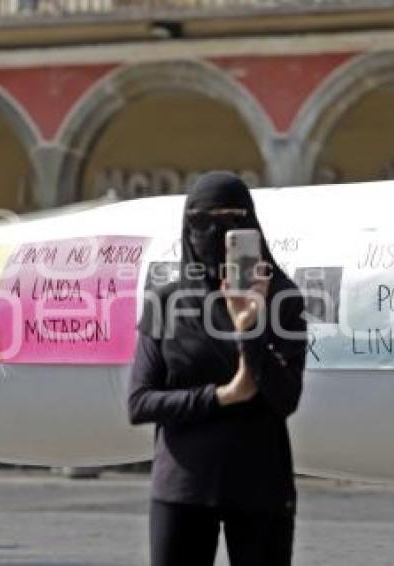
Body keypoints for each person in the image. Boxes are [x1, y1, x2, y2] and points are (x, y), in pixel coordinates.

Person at [127, 171, 307, 566]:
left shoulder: (281, 298)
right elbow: (140, 402)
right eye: (204, 222)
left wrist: (250, 328)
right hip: (183, 489)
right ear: (187, 227)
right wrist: (223, 396)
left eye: (232, 220)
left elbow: (285, 398)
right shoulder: (167, 302)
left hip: (261, 488)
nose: (217, 233)